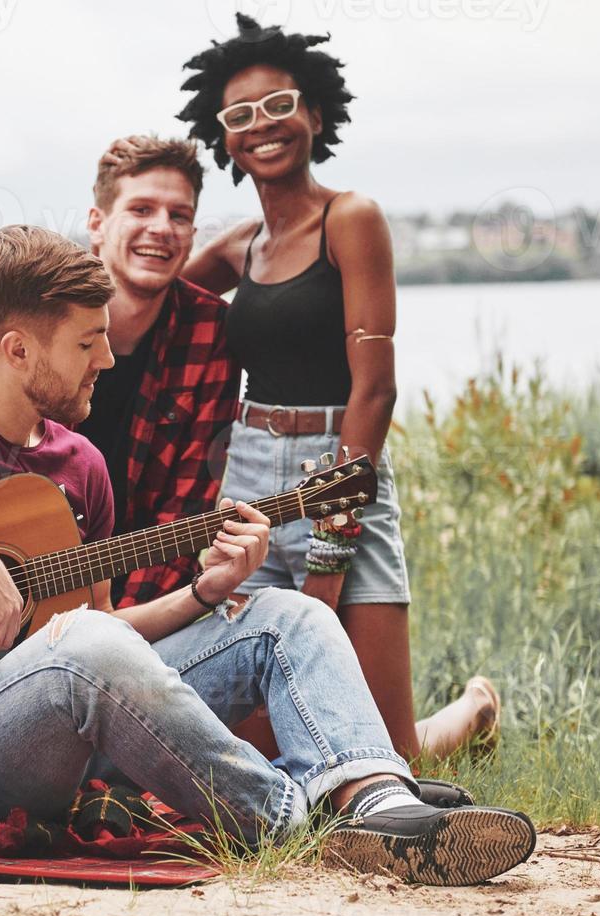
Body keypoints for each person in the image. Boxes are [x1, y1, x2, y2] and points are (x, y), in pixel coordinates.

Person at [0, 225, 536, 886]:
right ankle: (299, 820)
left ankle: (378, 800)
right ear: (17, 348)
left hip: (78, 727)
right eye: (86, 342)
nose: (105, 359)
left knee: (281, 614)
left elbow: (105, 633)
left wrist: (205, 595)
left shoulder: (79, 464)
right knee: (85, 648)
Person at [0, 132, 497, 764]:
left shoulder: (209, 336)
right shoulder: (11, 340)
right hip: (2, 638)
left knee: (315, 736)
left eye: (180, 215)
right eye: (141, 210)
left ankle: (457, 723)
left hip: (134, 614)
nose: (161, 229)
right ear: (96, 224)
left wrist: (147, 633)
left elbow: (180, 516)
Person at [174, 16, 499, 760]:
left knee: (392, 758)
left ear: (315, 115)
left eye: (280, 106)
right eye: (241, 115)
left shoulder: (350, 219)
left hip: (339, 467)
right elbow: (134, 298)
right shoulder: (237, 247)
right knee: (268, 741)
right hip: (250, 476)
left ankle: (475, 710)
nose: (263, 126)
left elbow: (376, 390)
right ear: (225, 138)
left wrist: (332, 538)